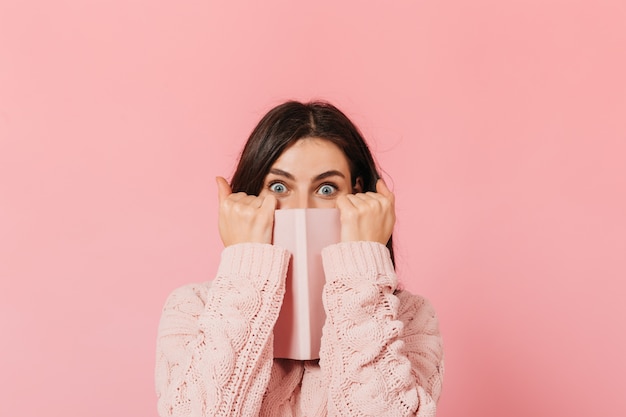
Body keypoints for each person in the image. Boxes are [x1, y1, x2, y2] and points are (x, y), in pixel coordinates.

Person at [155, 100, 444, 416]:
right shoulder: (193, 308)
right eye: (278, 186)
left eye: (326, 189)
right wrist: (245, 265)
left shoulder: (410, 318)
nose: (301, 208)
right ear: (250, 199)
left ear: (359, 196)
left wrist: (363, 269)